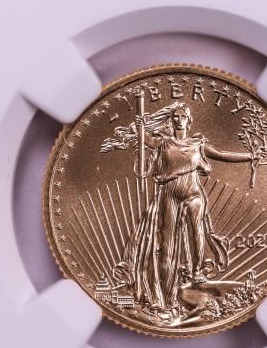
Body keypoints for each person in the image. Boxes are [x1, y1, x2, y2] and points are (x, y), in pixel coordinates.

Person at [104, 103, 254, 321]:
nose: (179, 119)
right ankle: (166, 290)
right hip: (169, 195)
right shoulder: (164, 143)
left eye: (183, 116)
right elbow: (146, 140)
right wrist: (140, 127)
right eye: (175, 116)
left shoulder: (197, 144)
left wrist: (250, 156)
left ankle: (197, 271)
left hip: (194, 194)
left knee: (197, 233)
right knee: (168, 243)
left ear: (189, 120)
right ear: (171, 119)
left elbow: (222, 154)